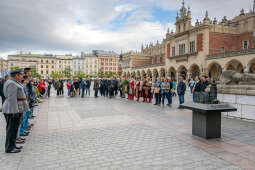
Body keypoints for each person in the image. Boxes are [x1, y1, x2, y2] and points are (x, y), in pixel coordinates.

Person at [2, 69, 28, 153]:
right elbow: (12, 99)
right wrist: (15, 111)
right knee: (11, 129)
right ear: (16, 75)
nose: (22, 76)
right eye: (21, 75)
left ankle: (13, 145)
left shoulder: (13, 82)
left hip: (14, 109)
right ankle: (9, 148)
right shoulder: (11, 83)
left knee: (13, 129)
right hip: (12, 110)